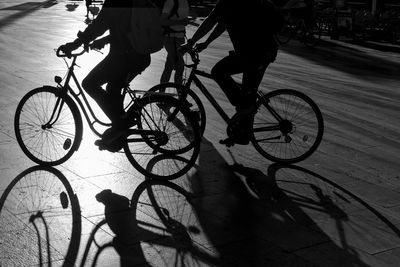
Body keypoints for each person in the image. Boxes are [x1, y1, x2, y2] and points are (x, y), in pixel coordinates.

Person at [182, 0, 279, 145]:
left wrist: (191, 42)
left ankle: (245, 109)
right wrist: (206, 43)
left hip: (255, 54)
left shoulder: (227, 1)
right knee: (248, 93)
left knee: (218, 71)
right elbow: (222, 24)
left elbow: (210, 21)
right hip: (260, 52)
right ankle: (242, 133)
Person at [59, 0, 151, 151]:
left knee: (89, 83)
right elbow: (124, 28)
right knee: (112, 89)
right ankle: (118, 133)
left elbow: (99, 25)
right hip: (138, 56)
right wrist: (105, 40)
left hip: (124, 57)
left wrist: (75, 44)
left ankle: (120, 124)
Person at [159, 0, 190, 85]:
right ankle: (180, 94)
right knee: (180, 67)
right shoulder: (170, 2)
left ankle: (161, 94)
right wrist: (180, 22)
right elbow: (162, 21)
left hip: (180, 38)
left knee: (169, 67)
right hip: (171, 38)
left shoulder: (184, 1)